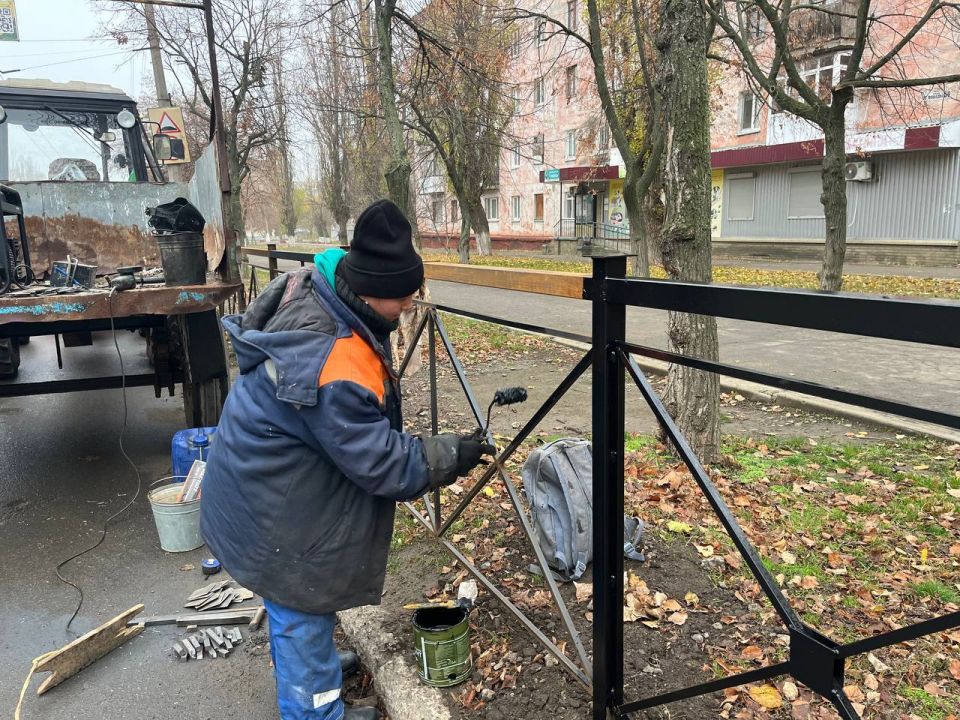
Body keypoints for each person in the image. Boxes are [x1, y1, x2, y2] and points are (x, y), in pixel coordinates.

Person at [200, 199, 495, 720]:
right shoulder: (332, 357)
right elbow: (381, 462)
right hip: (276, 520)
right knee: (299, 606)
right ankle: (315, 705)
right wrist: (453, 452)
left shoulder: (323, 285)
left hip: (263, 482)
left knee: (299, 617)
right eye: (403, 301)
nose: (408, 310)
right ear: (372, 292)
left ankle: (312, 669)